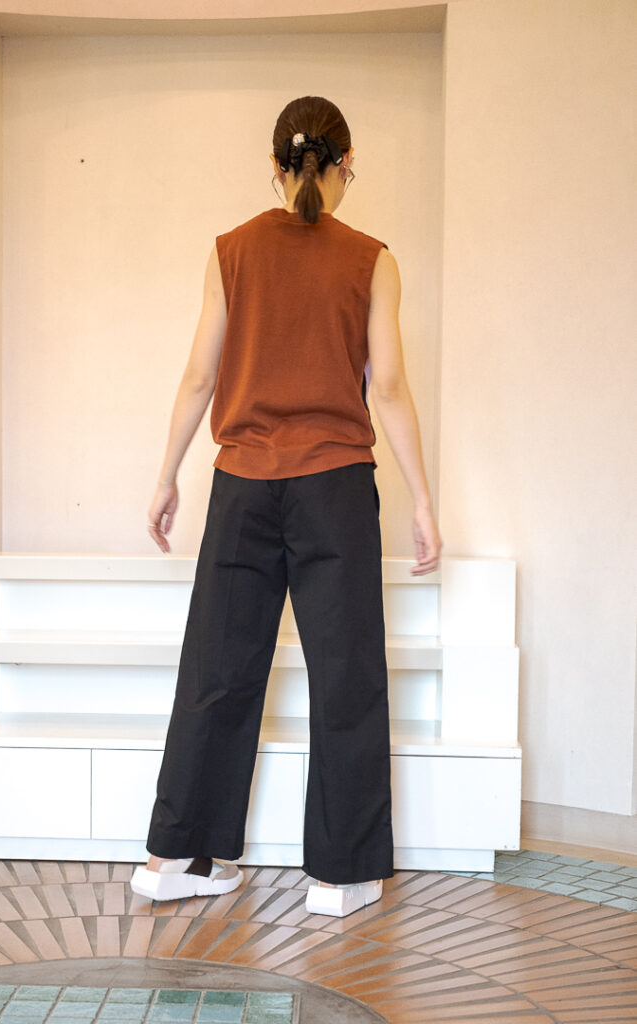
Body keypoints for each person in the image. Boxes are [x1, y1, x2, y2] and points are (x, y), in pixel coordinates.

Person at [129, 96, 441, 918]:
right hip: (333, 486)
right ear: (345, 166)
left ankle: (173, 859)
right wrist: (422, 499)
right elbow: (389, 387)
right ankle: (338, 878)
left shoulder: (229, 251)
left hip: (240, 484)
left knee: (216, 669)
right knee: (345, 675)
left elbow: (198, 376)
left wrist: (166, 476)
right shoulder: (372, 259)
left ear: (274, 165)